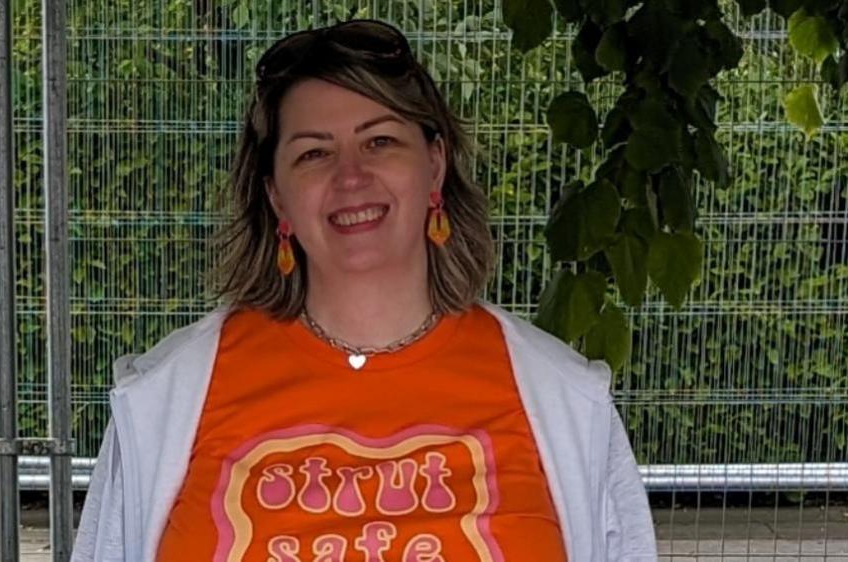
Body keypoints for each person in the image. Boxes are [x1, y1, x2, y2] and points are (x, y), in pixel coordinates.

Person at [71, 19, 656, 562]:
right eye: (314, 153)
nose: (350, 176)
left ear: (435, 165)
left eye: (380, 142)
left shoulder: (564, 396)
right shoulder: (166, 396)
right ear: (277, 197)